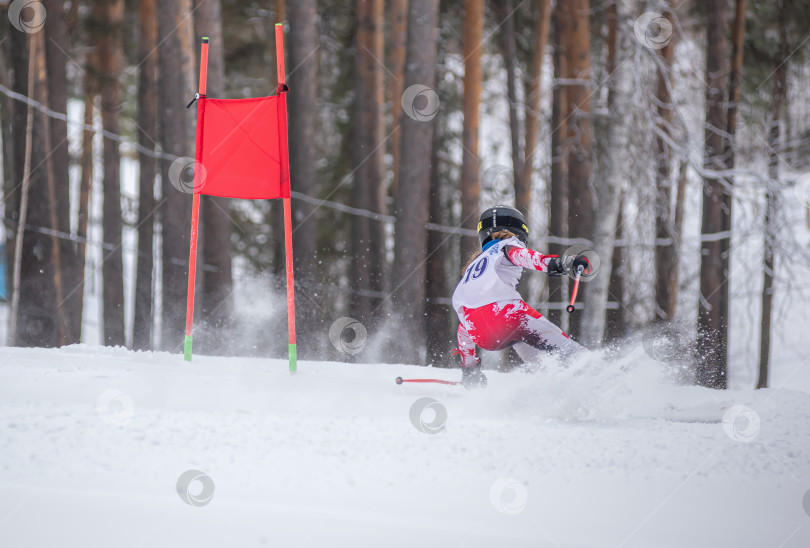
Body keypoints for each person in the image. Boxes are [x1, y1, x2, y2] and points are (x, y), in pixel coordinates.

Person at [451, 205, 590, 388]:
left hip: (480, 333)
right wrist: (563, 264)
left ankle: (551, 388)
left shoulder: (473, 267)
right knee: (568, 351)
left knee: (536, 360)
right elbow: (529, 258)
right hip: (509, 315)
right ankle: (598, 372)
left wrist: (470, 368)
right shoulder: (507, 246)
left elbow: (464, 329)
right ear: (519, 231)